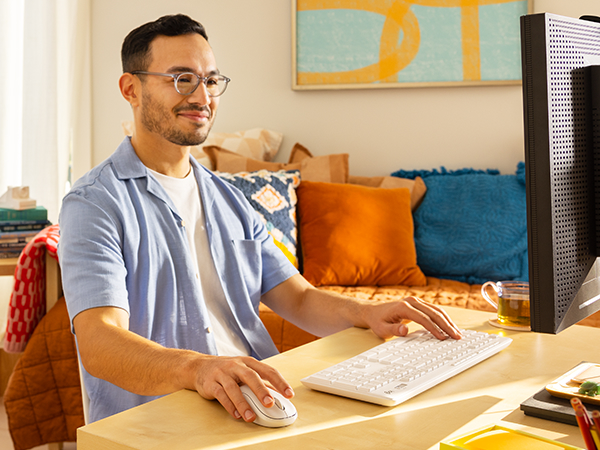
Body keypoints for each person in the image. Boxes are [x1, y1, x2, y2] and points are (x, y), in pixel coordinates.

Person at [58, 13, 462, 424]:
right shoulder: (94, 204)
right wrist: (197, 369)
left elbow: (299, 298)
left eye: (211, 80)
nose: (202, 97)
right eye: (182, 79)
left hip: (258, 403)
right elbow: (100, 340)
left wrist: (367, 312)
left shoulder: (229, 198)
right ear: (132, 89)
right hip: (162, 420)